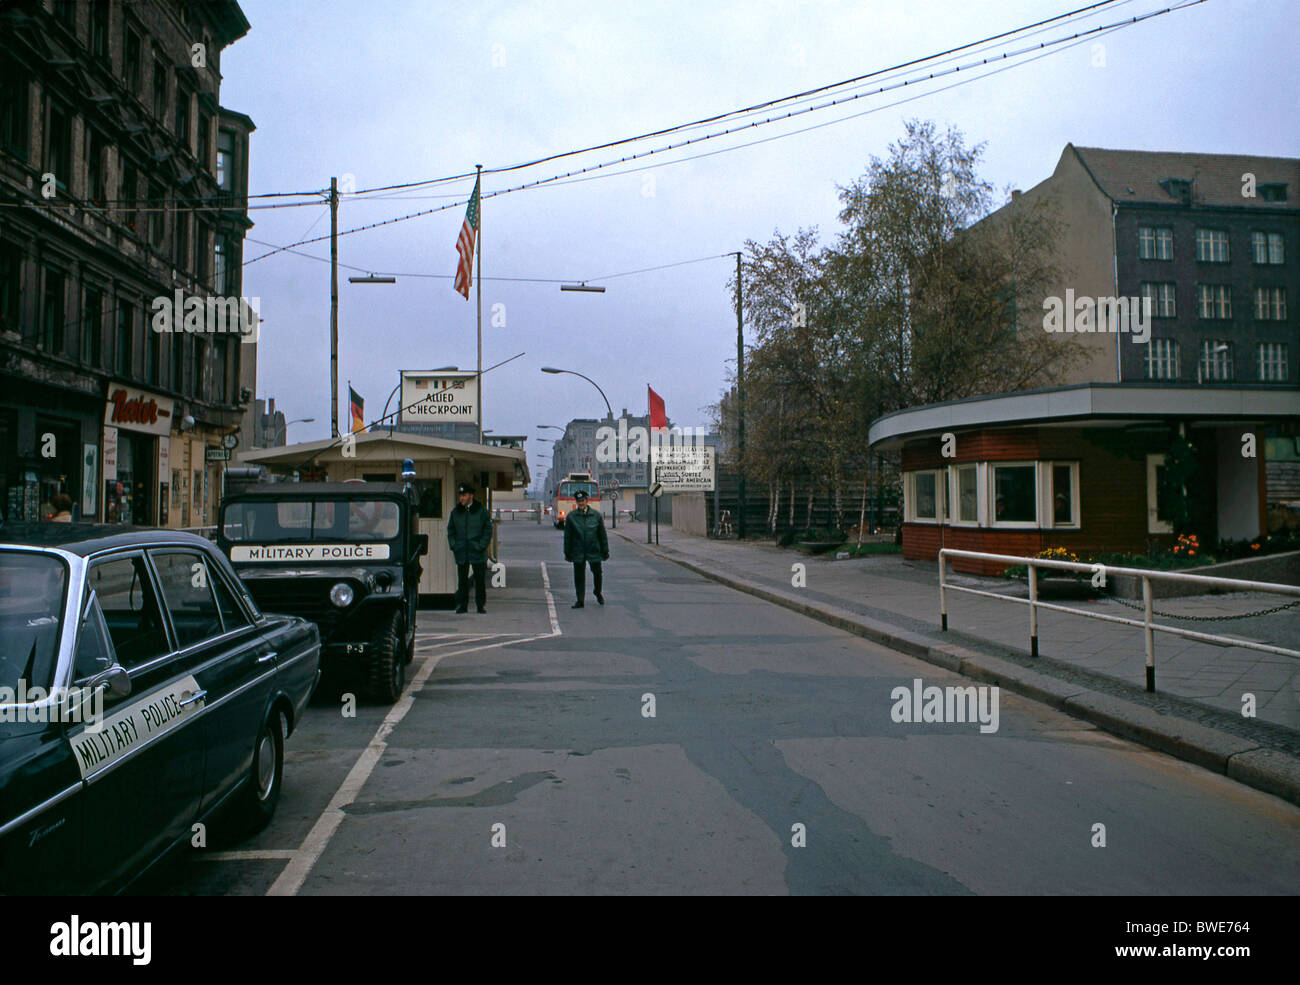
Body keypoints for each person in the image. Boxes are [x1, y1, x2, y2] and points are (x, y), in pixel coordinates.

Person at [447, 482, 492, 613]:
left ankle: (480, 605)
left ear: (471, 496)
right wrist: (454, 545)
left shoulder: (481, 511)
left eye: (464, 495)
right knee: (462, 580)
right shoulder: (456, 512)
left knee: (479, 580)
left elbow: (487, 530)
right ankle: (462, 605)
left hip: (477, 550)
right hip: (462, 551)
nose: (461, 498)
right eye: (460, 495)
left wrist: (481, 546)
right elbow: (450, 530)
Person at [564, 489, 608, 608]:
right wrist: (567, 552)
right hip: (578, 550)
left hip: (594, 549)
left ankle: (597, 592)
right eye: (579, 501)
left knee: (597, 573)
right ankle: (580, 600)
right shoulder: (571, 517)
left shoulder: (596, 516)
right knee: (579, 576)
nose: (581, 503)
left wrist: (605, 550)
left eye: (583, 501)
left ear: (587, 501)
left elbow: (602, 535)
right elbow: (568, 536)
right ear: (577, 502)